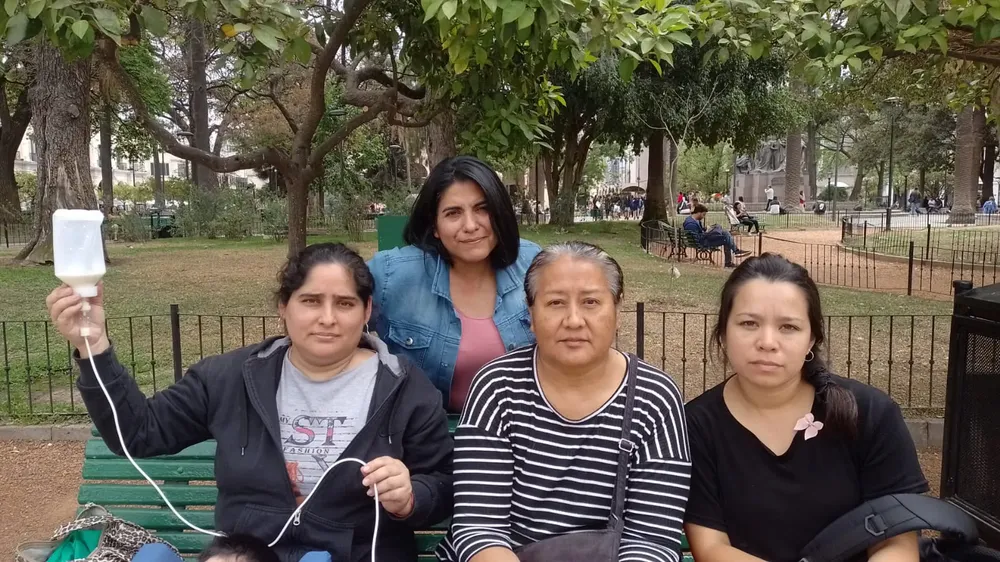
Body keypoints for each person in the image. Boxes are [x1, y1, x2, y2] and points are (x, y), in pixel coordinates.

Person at [46, 243, 454, 562]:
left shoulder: (404, 387)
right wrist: (92, 345)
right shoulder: (229, 378)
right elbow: (137, 432)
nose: (328, 318)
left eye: (345, 303)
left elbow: (443, 483)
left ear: (366, 311)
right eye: (311, 301)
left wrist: (410, 496)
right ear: (284, 308)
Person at [435, 242, 691, 562]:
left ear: (617, 310)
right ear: (531, 314)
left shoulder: (653, 397)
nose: (573, 320)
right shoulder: (497, 386)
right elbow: (480, 527)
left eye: (591, 302)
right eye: (556, 302)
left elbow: (652, 539)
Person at [684, 253, 928, 562]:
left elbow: (898, 544)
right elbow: (712, 548)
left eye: (788, 327)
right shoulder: (696, 427)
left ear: (812, 338)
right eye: (749, 323)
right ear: (723, 332)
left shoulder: (870, 414)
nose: (767, 341)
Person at [368, 156, 541, 413]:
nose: (471, 225)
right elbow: (331, 320)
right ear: (435, 226)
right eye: (453, 213)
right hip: (428, 439)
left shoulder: (533, 264)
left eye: (483, 208)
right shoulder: (391, 274)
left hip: (522, 431)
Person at [684, 204, 751, 268]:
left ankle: (736, 252)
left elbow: (699, 232)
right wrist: (708, 232)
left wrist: (707, 229)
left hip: (704, 239)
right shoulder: (691, 224)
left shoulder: (693, 220)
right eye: (703, 214)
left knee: (724, 232)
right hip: (702, 242)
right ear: (698, 212)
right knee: (726, 238)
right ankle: (733, 256)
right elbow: (698, 238)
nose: (703, 217)